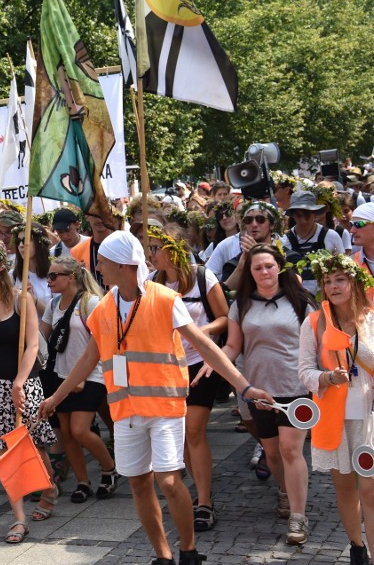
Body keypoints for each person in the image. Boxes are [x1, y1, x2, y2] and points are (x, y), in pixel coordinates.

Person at [39, 231, 272, 565]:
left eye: (102, 262)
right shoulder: (105, 306)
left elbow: (206, 345)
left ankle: (189, 551)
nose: (97, 268)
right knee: (138, 484)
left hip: (164, 407)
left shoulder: (164, 298)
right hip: (125, 412)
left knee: (168, 481)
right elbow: (88, 359)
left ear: (122, 265)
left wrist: (244, 387)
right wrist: (56, 398)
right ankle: (162, 556)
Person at [198, 243, 317, 545]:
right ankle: (286, 490)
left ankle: (298, 517)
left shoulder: (301, 301)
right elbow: (233, 346)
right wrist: (213, 361)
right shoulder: (242, 305)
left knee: (291, 450)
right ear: (250, 273)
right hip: (258, 390)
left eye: (269, 266)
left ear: (280, 267)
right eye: (257, 267)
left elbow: (319, 345)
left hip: (296, 387)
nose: (264, 271)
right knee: (273, 453)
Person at [299, 251, 374, 565]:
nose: (333, 286)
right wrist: (328, 377)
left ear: (355, 282)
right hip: (336, 422)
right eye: (328, 281)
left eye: (340, 279)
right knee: (346, 490)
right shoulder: (314, 322)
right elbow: (304, 371)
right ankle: (357, 547)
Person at [0, 243, 57, 544]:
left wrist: (19, 381)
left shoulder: (23, 300)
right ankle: (18, 518)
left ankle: (49, 488)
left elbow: (33, 344)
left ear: (1, 267)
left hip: (26, 380)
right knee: (7, 451)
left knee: (33, 445)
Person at [147, 225, 228, 532]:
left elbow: (224, 318)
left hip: (199, 364)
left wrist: (197, 333)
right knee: (181, 438)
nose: (151, 254)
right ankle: (198, 491)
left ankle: (205, 502)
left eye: (156, 248)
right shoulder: (153, 282)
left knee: (194, 431)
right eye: (150, 248)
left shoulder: (203, 277)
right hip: (168, 368)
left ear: (174, 249)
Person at [40, 257, 118, 505]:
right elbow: (42, 339)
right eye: (48, 275)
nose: (49, 280)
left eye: (54, 276)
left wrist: (82, 378)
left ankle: (108, 468)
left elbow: (104, 344)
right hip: (61, 376)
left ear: (71, 277)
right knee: (67, 433)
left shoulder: (91, 302)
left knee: (79, 429)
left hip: (93, 375)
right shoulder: (53, 304)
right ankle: (83, 481)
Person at [284, 190, 345, 293]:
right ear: (293, 215)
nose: (303, 220)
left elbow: (344, 269)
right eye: (298, 215)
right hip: (297, 295)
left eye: (306, 214)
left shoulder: (331, 236)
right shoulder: (284, 240)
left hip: (326, 293)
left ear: (314, 214)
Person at [12, 222, 52, 317]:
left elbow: (55, 315)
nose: (21, 245)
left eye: (26, 240)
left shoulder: (54, 273)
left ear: (40, 242)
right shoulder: (13, 275)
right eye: (18, 241)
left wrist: (32, 299)